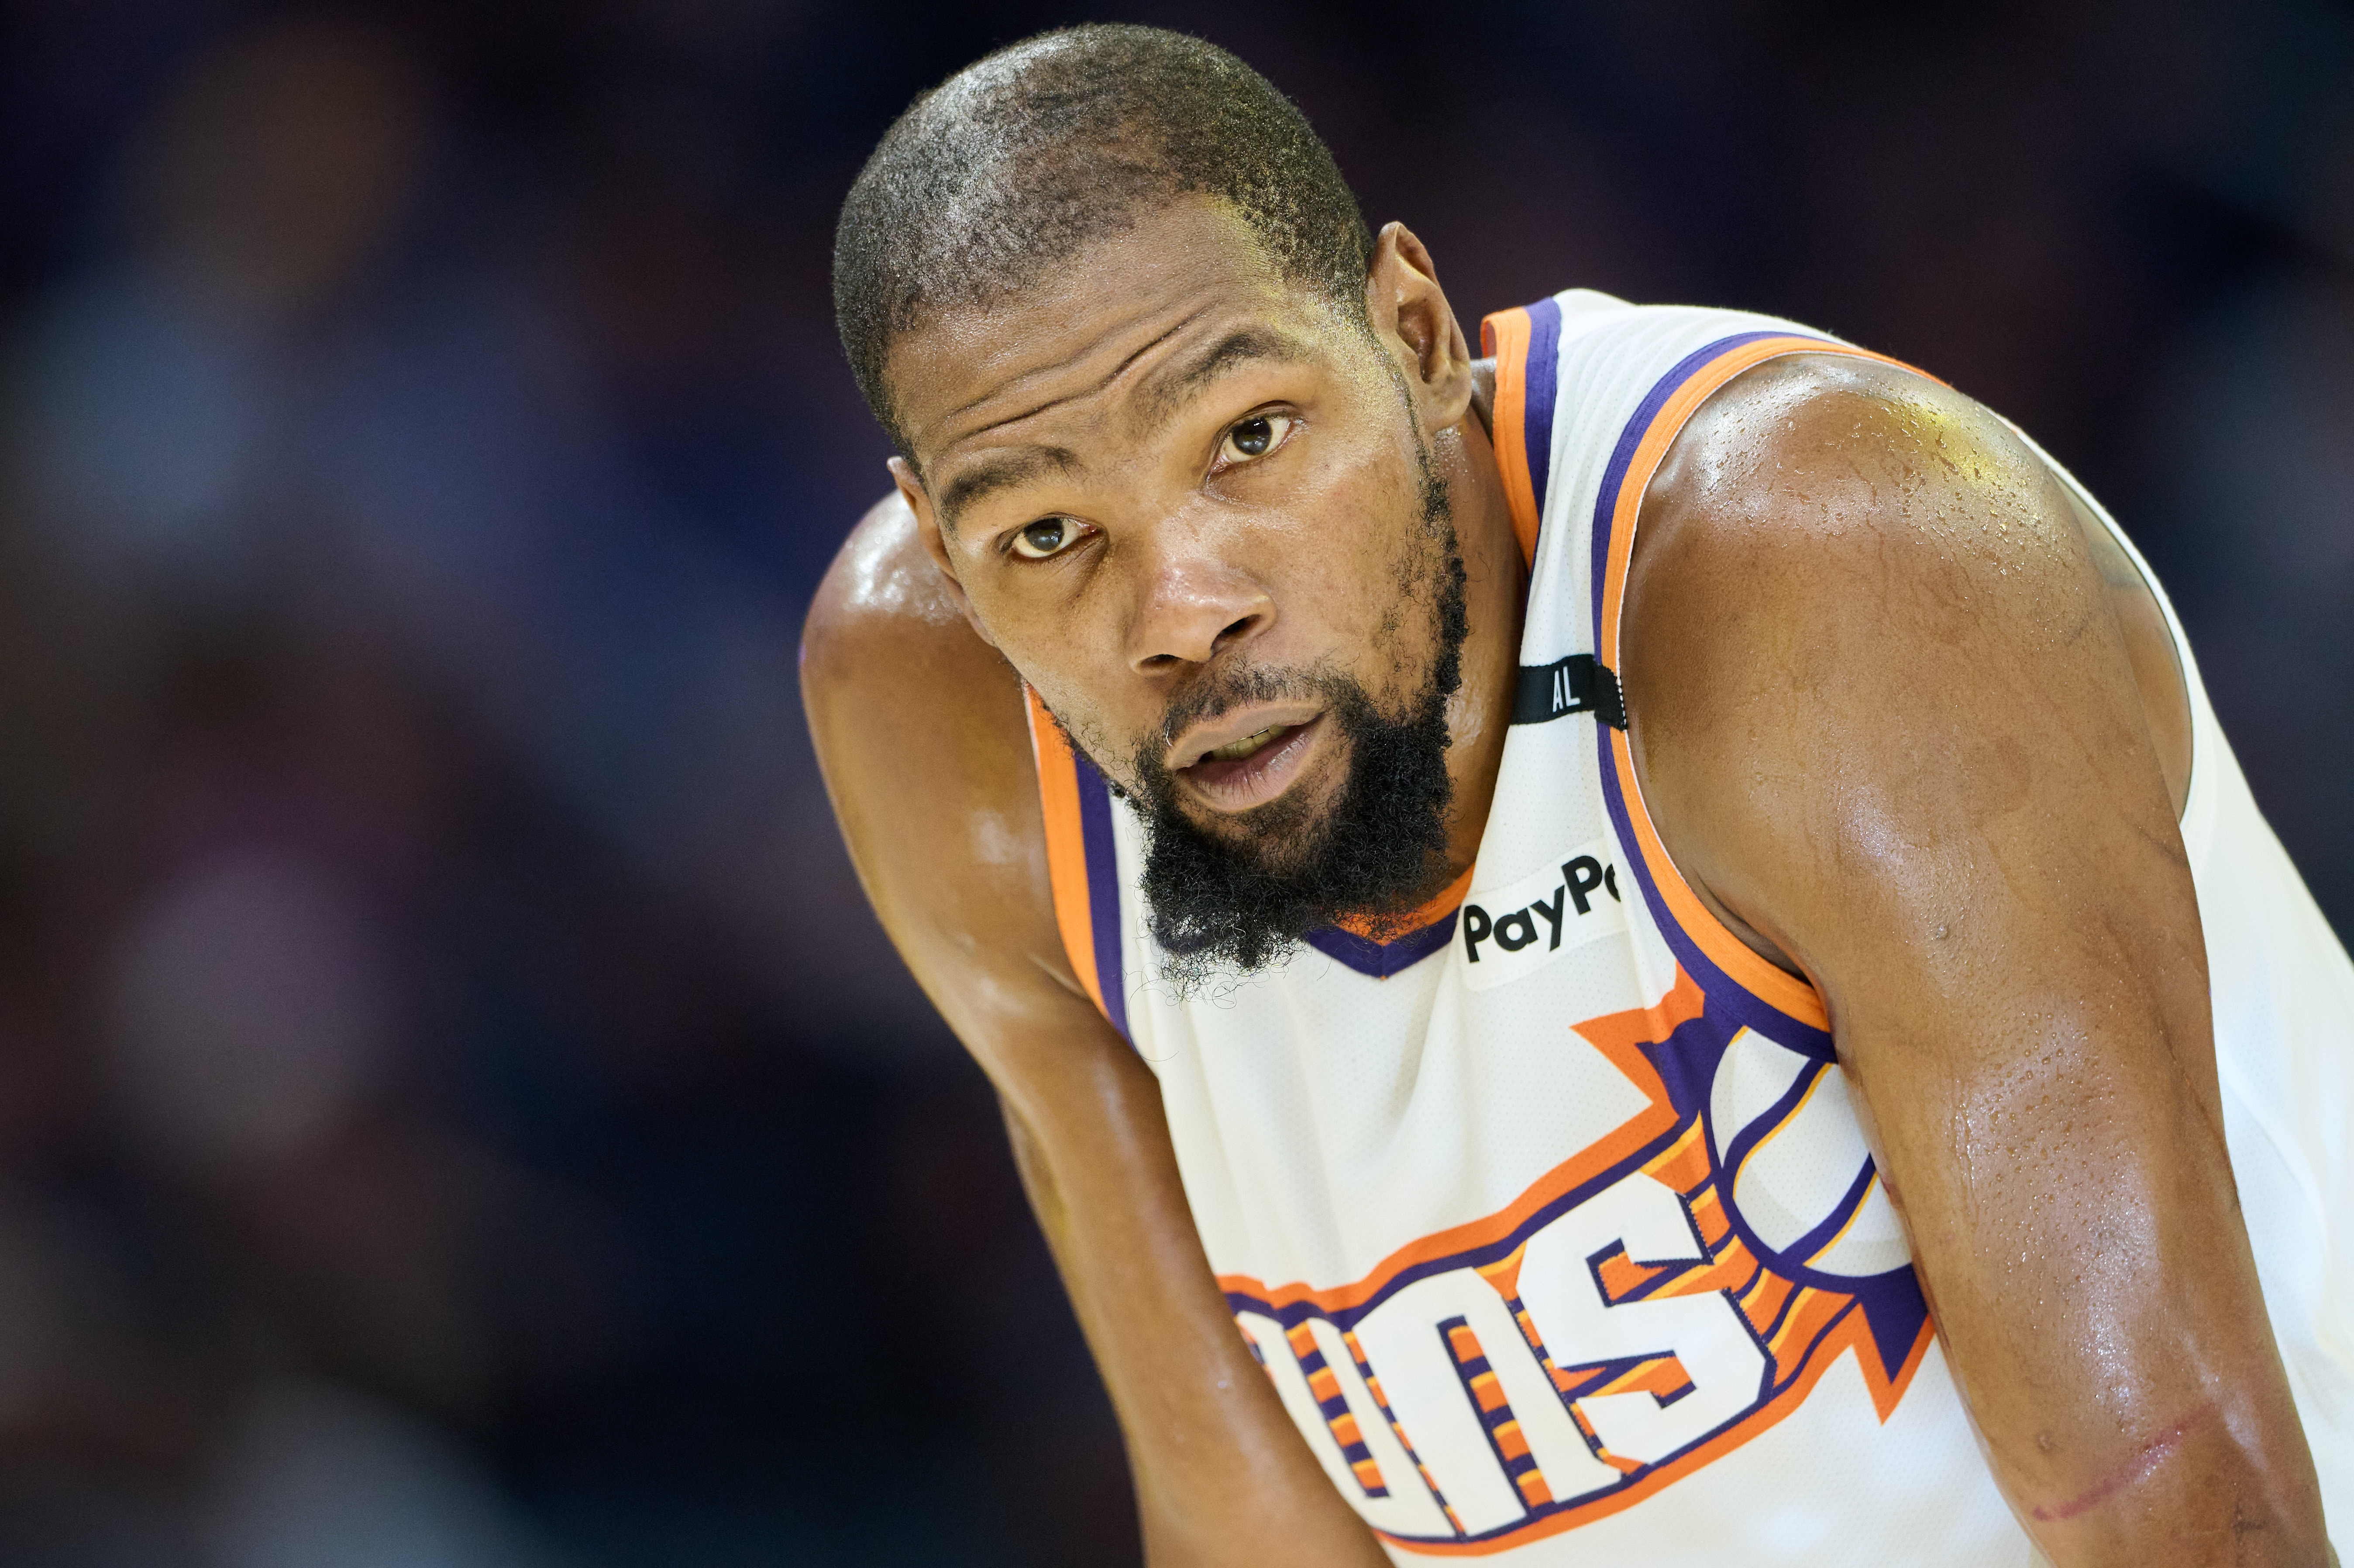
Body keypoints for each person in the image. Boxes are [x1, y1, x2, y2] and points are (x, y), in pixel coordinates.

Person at [803, 24, 2349, 1567]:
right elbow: (1242, 1525)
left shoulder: (1829, 575)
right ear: (944, 552)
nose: (1185, 613)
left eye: (1251, 439)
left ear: (1416, 338)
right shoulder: (947, 731)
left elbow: (2168, 1490)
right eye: (1047, 535)